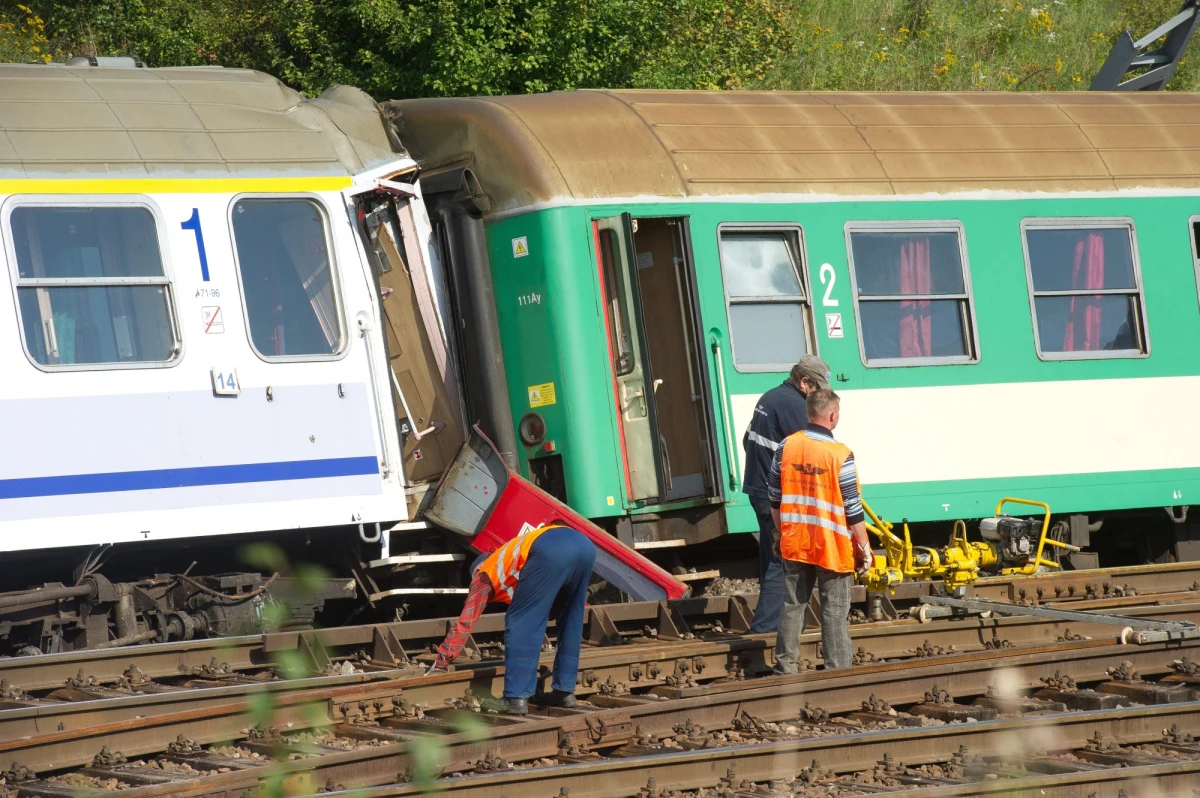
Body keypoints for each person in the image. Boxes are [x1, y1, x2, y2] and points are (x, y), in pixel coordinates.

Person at [431, 524, 596, 715]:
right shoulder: (513, 563)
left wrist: (443, 658)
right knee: (570, 620)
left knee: (522, 621)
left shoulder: (484, 574)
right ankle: (564, 691)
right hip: (584, 546)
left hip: (552, 549)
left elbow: (466, 621)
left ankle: (515, 697)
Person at [768, 388, 872, 673]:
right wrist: (863, 547)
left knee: (792, 604)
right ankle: (836, 671)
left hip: (796, 542)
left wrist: (780, 533)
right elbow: (852, 508)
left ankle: (784, 668)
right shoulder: (841, 454)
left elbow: (774, 496)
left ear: (809, 413)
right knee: (835, 611)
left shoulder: (786, 446)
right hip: (832, 545)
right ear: (833, 415)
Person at [741, 353, 832, 634]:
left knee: (772, 557)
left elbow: (748, 440)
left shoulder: (769, 397)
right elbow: (814, 449)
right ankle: (765, 631)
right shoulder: (794, 404)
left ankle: (773, 626)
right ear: (805, 382)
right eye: (818, 390)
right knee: (782, 561)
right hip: (778, 497)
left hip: (758, 488)